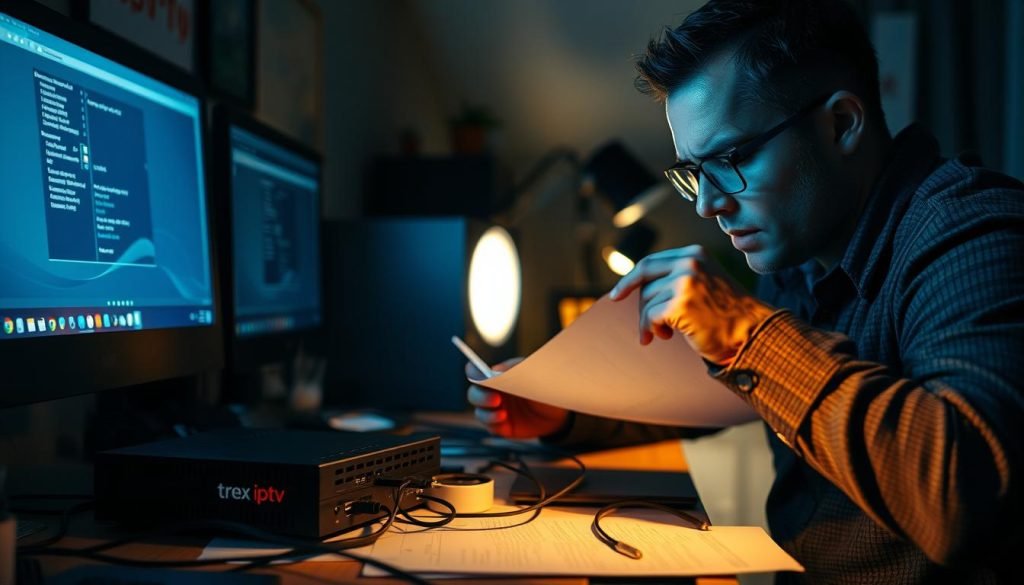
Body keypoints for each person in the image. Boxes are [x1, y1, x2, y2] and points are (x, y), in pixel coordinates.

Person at [466, 0, 1023, 582]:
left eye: (730, 158)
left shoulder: (973, 233)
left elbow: (964, 502)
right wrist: (563, 412)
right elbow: (710, 397)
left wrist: (745, 334)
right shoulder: (802, 252)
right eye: (694, 173)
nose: (708, 204)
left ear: (842, 124)